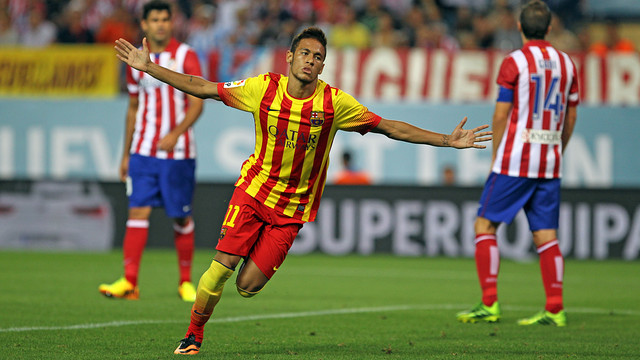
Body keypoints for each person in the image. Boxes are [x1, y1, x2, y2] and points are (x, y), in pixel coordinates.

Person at [114, 26, 491, 355]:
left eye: (318, 57)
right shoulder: (261, 88)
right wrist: (149, 68)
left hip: (292, 211)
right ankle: (193, 335)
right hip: (253, 192)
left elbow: (390, 127)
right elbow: (203, 88)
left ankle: (243, 269)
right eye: (306, 53)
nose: (311, 60)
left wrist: (446, 140)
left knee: (247, 286)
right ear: (290, 57)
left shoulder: (334, 104)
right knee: (220, 269)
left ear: (323, 66)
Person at [456, 0, 579, 327]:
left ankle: (489, 303)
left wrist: (498, 155)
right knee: (546, 235)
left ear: (520, 27)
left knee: (484, 225)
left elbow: (500, 114)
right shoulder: (568, 64)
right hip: (549, 161)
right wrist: (558, 150)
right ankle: (555, 308)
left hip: (515, 160)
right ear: (550, 28)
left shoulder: (515, 62)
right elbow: (571, 115)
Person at [99, 0, 204, 303]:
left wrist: (176, 132)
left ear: (172, 23)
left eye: (164, 19)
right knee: (138, 211)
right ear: (144, 25)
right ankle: (129, 282)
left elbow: (198, 101)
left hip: (179, 152)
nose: (160, 24)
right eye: (154, 19)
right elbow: (133, 108)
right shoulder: (135, 60)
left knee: (181, 218)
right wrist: (125, 153)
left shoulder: (185, 55)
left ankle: (185, 281)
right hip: (143, 151)